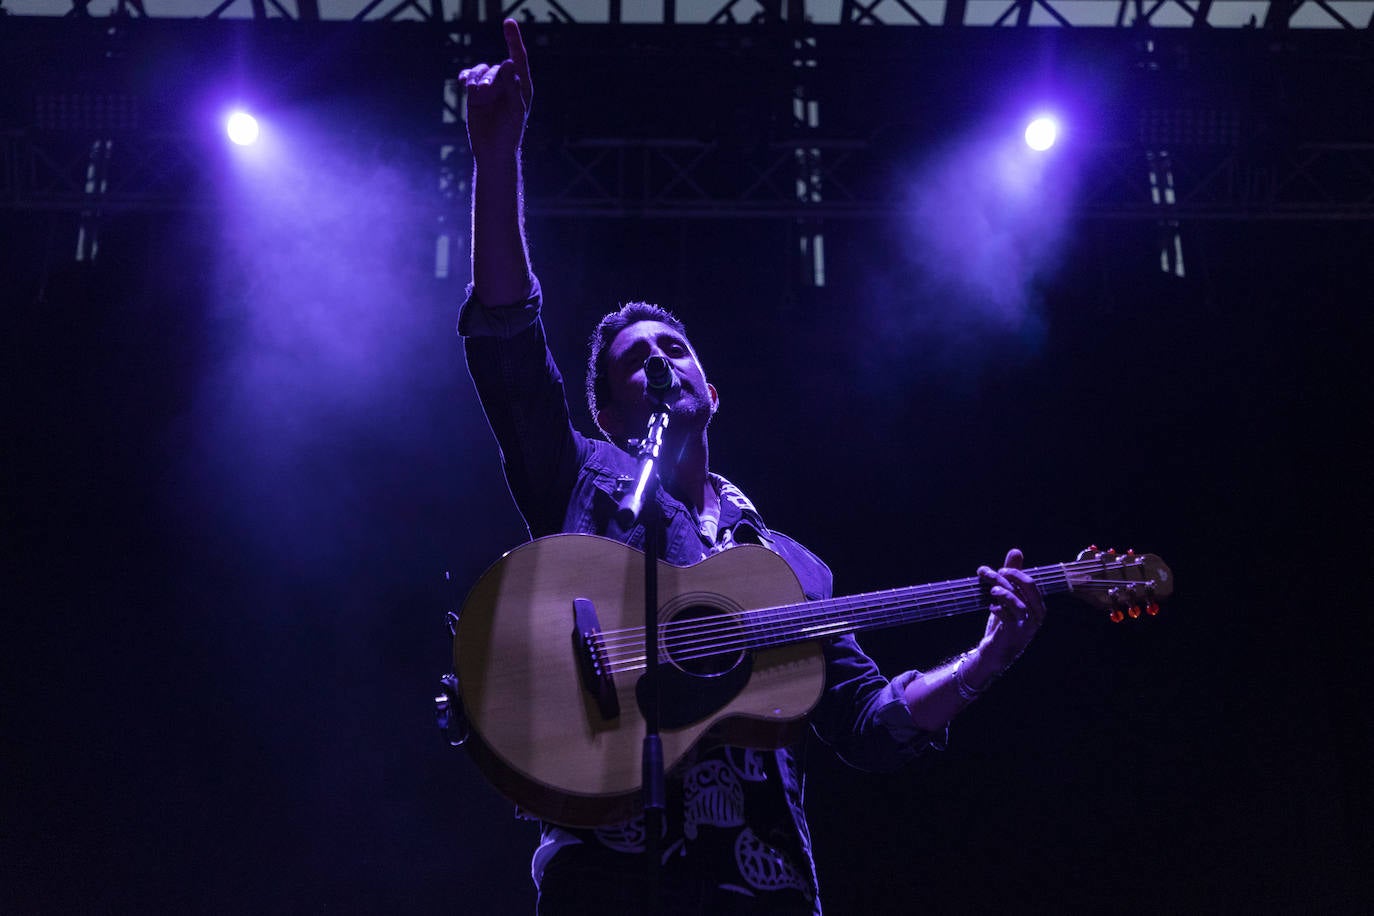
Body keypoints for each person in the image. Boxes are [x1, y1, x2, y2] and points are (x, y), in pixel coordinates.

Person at [457, 20, 1046, 916]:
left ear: (711, 387)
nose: (661, 361)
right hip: (602, 886)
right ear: (606, 415)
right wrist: (497, 156)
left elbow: (868, 722)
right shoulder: (581, 482)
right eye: (636, 359)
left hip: (761, 890)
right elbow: (507, 342)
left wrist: (986, 658)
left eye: (677, 348)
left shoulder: (793, 568)